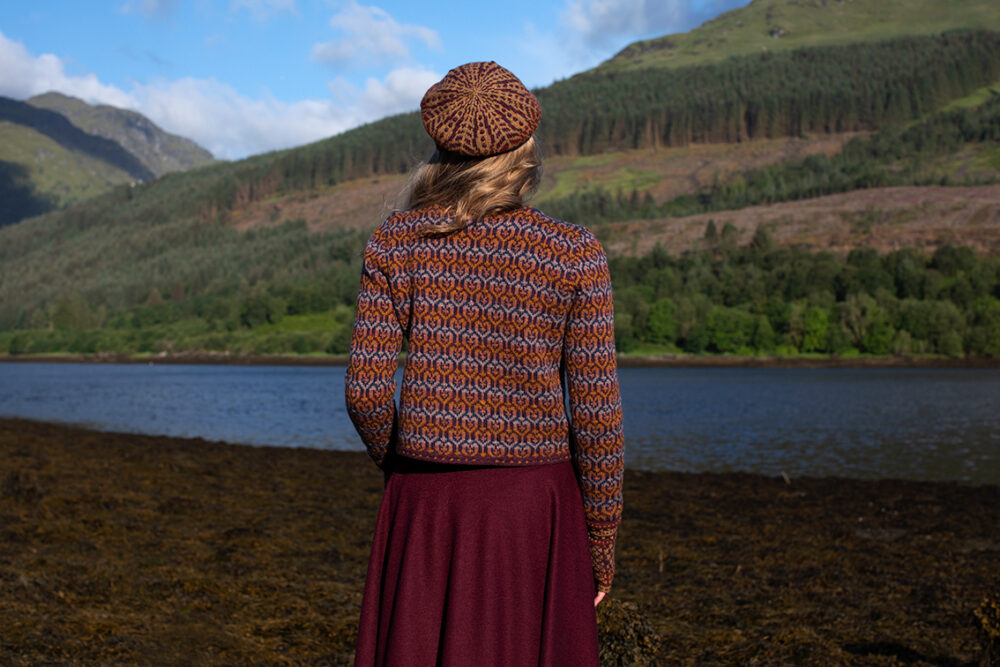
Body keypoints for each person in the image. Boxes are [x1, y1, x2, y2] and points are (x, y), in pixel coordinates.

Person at [345, 61, 624, 667]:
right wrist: (599, 541)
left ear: (439, 150)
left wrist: (401, 463)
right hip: (535, 513)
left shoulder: (394, 243)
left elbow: (366, 393)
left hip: (424, 505)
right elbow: (598, 418)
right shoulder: (573, 253)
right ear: (524, 149)